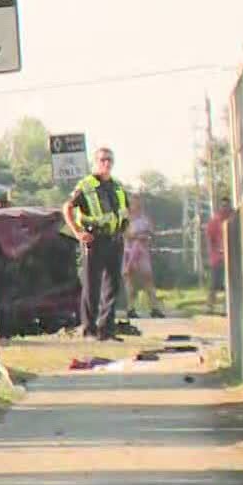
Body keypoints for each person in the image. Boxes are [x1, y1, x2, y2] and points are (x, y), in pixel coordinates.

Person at [61, 146, 129, 340]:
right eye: (102, 160)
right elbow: (67, 208)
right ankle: (89, 329)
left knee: (113, 285)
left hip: (114, 239)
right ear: (95, 162)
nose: (106, 163)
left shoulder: (117, 186)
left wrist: (124, 230)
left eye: (109, 160)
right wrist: (77, 232)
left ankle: (106, 329)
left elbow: (124, 211)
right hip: (94, 240)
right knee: (92, 286)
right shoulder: (86, 185)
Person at [123, 193, 164, 321]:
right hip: (129, 252)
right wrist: (137, 236)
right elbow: (125, 234)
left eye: (138, 202)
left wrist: (147, 236)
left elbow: (151, 232)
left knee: (148, 280)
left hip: (143, 252)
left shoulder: (145, 218)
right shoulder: (126, 218)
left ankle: (154, 308)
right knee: (130, 281)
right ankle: (130, 308)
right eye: (134, 202)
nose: (136, 205)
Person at [205, 197, 232, 314]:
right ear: (220, 207)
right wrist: (211, 254)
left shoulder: (233, 219)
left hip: (231, 255)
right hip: (218, 257)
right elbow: (209, 239)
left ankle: (227, 308)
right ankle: (210, 306)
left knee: (229, 283)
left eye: (227, 206)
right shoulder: (215, 221)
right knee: (215, 283)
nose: (225, 208)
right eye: (223, 206)